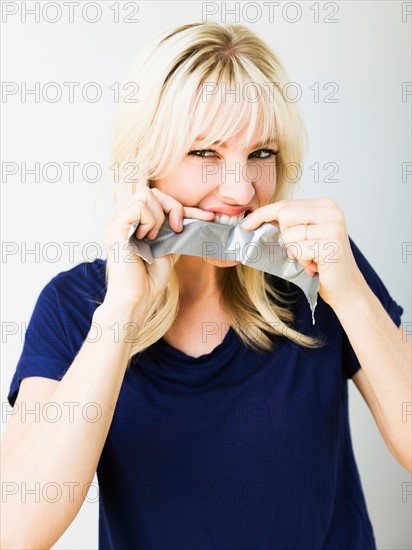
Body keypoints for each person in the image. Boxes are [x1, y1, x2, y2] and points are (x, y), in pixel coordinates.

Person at [1, 22, 411, 550]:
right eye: (206, 154)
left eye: (262, 153)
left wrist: (351, 293)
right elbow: (15, 532)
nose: (241, 191)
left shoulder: (322, 272)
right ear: (147, 159)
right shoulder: (76, 305)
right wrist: (123, 310)